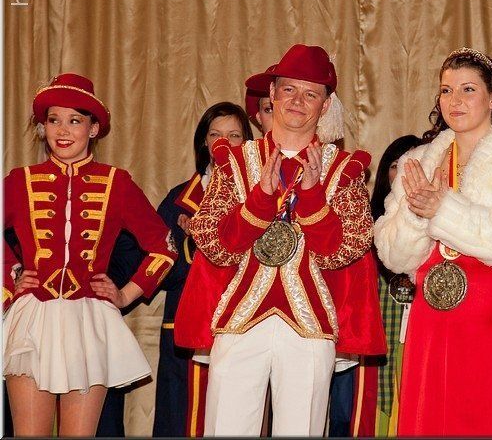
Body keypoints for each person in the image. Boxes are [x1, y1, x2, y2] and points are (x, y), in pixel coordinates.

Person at [187, 44, 374, 436]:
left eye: (311, 94)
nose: (297, 101)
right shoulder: (234, 161)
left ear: (325, 106)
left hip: (310, 325)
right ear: (271, 94)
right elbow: (213, 242)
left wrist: (314, 197)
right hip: (239, 319)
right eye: (288, 89)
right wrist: (259, 200)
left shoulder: (344, 169)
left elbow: (347, 248)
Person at [374, 47, 492, 435]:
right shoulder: (419, 160)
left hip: (489, 318)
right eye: (446, 90)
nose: (454, 100)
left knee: (489, 420)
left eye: (468, 89)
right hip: (429, 318)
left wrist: (442, 210)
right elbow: (392, 253)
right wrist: (417, 214)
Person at [2, 73, 176, 436]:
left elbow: (165, 246)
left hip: (89, 323)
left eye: (75, 120)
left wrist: (125, 294)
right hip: (32, 322)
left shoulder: (118, 183)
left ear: (93, 129)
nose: (63, 130)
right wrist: (12, 273)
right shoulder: (19, 181)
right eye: (54, 120)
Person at [152, 102, 253, 437]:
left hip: (244, 321)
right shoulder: (179, 199)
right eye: (215, 134)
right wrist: (191, 246)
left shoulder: (263, 196)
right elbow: (157, 266)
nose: (223, 143)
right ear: (204, 142)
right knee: (181, 416)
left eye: (234, 135)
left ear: (247, 143)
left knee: (239, 415)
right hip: (186, 321)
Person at [371, 134, 424, 436]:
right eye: (395, 164)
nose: (402, 170)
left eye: (411, 163)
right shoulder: (368, 219)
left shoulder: (436, 218)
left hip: (421, 325)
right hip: (380, 326)